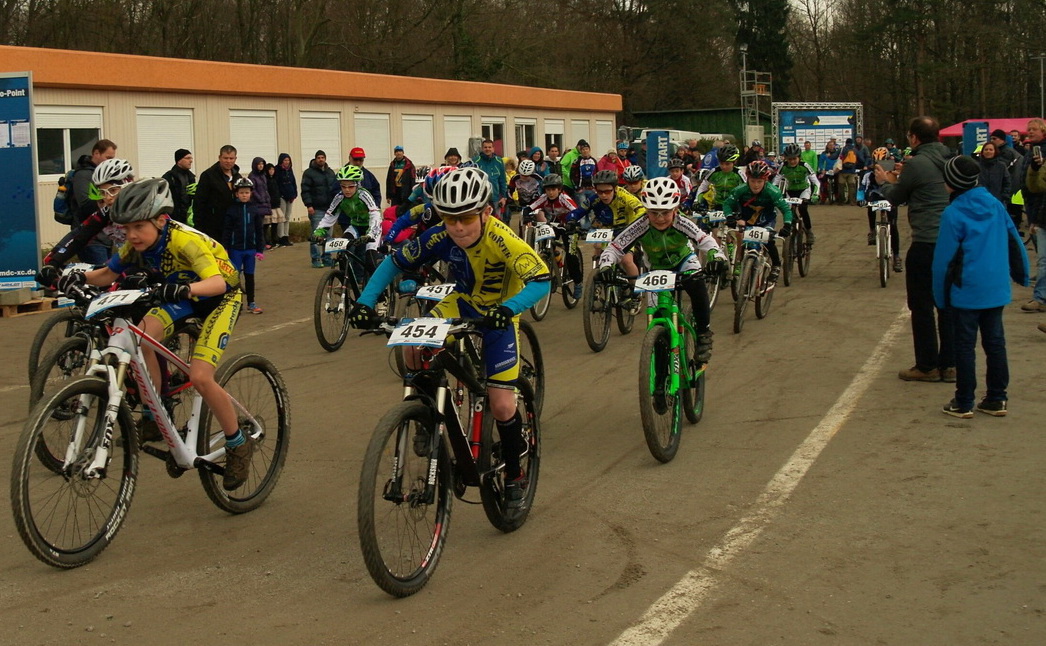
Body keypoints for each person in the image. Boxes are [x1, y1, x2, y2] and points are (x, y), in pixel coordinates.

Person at [349, 167, 551, 509]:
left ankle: (516, 473)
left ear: (486, 212)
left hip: (499, 312)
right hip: (461, 303)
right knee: (413, 344)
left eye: (466, 218)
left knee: (502, 405)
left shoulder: (503, 239)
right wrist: (365, 302)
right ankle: (427, 416)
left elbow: (542, 279)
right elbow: (393, 264)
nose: (457, 226)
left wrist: (510, 308)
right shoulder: (441, 234)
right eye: (449, 217)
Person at [57, 178, 252, 491]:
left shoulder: (184, 240)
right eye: (126, 228)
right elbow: (107, 273)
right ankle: (155, 414)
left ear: (161, 220)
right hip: (181, 296)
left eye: (138, 227)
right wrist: (72, 276)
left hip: (220, 298)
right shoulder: (136, 243)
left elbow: (216, 283)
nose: (131, 235)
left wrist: (184, 288)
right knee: (141, 334)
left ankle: (237, 442)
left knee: (201, 377)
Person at [932, 156, 1029, 417]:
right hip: (995, 287)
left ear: (952, 183)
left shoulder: (953, 213)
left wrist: (940, 297)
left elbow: (943, 261)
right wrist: (1023, 274)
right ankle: (997, 398)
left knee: (965, 346)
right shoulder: (995, 205)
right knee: (995, 343)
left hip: (966, 290)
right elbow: (1014, 240)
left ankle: (964, 401)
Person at [599, 176, 724, 363]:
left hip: (684, 261)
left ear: (675, 209)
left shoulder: (682, 222)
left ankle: (704, 332)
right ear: (646, 210)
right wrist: (606, 265)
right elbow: (615, 247)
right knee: (657, 320)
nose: (659, 218)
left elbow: (704, 240)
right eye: (654, 212)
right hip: (656, 269)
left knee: (697, 285)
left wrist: (717, 256)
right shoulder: (640, 225)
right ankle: (659, 378)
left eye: (665, 212)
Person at [875, 116, 955, 382]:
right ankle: (951, 363)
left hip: (927, 242)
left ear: (914, 138)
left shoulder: (916, 163)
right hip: (953, 241)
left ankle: (927, 365)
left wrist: (884, 180)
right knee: (949, 305)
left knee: (921, 305)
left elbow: (897, 196)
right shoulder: (952, 160)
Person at [36, 158, 135, 287]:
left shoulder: (144, 212)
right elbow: (80, 235)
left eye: (113, 190)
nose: (108, 198)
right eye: (103, 192)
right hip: (125, 267)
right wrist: (53, 262)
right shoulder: (107, 212)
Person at [567, 169, 645, 285]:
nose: (603, 195)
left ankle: (636, 291)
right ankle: (598, 276)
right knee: (598, 246)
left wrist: (633, 227)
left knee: (626, 260)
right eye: (600, 191)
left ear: (615, 188)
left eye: (608, 191)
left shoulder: (625, 196)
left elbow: (641, 210)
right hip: (605, 228)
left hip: (625, 229)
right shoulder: (594, 199)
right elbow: (579, 211)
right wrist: (572, 220)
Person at [722, 159, 792, 284]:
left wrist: (787, 224)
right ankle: (739, 264)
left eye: (759, 181)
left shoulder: (773, 192)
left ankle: (776, 265)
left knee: (769, 241)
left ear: (765, 180)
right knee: (742, 241)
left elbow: (786, 210)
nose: (755, 185)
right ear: (747, 179)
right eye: (752, 181)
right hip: (747, 220)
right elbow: (727, 203)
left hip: (767, 221)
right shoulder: (740, 190)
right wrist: (729, 217)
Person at [312, 164, 382, 274]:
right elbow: (329, 216)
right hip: (355, 226)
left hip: (372, 228)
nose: (347, 190)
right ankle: (345, 281)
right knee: (342, 252)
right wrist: (318, 232)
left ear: (358, 184)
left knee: (370, 261)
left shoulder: (364, 195)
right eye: (343, 186)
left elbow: (375, 215)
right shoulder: (339, 197)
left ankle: (378, 288)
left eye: (351, 186)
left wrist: (370, 234)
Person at [524, 173, 581, 297]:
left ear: (559, 189)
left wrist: (572, 223)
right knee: (546, 242)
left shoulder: (564, 199)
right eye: (548, 190)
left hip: (569, 226)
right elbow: (529, 208)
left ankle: (578, 283)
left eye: (553, 189)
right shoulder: (544, 198)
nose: (550, 193)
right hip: (555, 224)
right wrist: (526, 217)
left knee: (571, 255)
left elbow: (577, 212)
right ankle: (554, 259)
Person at [224, 177, 265, 314]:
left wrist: (260, 249)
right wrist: (225, 247)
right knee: (234, 277)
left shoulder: (254, 210)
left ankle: (251, 303)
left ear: (251, 193)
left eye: (247, 192)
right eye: (241, 193)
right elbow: (227, 230)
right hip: (236, 249)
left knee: (249, 276)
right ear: (236, 194)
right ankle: (236, 302)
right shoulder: (231, 210)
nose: (244, 195)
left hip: (250, 249)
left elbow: (259, 230)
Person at [1019, 119, 1046, 313]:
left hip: (1040, 211)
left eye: (1033, 129)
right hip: (1040, 212)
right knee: (1043, 259)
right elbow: (1033, 187)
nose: (1029, 132)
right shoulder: (1031, 152)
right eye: (1028, 129)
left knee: (1043, 260)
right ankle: (1041, 298)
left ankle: (1041, 297)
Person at [862, 149, 903, 272]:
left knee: (894, 226)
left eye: (883, 161)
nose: (880, 164)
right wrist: (861, 199)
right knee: (870, 206)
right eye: (877, 162)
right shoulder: (869, 174)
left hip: (890, 197)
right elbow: (864, 189)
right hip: (876, 196)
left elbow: (901, 188)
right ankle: (873, 230)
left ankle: (896, 256)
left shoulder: (895, 173)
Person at [773, 143, 820, 243]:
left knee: (803, 209)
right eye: (790, 159)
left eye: (794, 158)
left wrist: (815, 194)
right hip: (790, 191)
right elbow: (775, 182)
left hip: (804, 190)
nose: (792, 161)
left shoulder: (805, 165)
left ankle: (809, 231)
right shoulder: (783, 166)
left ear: (799, 157)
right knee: (789, 212)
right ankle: (793, 228)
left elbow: (815, 182)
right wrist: (774, 194)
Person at [193, 145, 239, 242]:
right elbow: (199, 202)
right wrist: (199, 227)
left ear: (235, 159)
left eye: (231, 158)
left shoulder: (237, 177)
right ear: (219, 158)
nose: (228, 161)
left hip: (234, 227)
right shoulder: (208, 175)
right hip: (213, 228)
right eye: (225, 158)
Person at [301, 150, 338, 268]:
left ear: (325, 159)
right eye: (318, 157)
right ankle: (316, 258)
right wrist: (309, 205)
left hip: (330, 209)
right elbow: (305, 190)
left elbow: (335, 189)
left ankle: (327, 258)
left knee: (328, 236)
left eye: (323, 157)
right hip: (316, 209)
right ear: (315, 159)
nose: (321, 159)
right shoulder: (309, 173)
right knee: (316, 235)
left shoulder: (330, 172)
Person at [685, 144, 744, 212]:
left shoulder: (739, 173)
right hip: (718, 205)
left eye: (727, 164)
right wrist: (697, 201)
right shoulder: (714, 171)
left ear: (734, 162)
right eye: (721, 163)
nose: (724, 167)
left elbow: (747, 189)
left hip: (734, 206)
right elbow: (703, 187)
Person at [990, 129, 1024, 229]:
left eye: (994, 138)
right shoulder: (1007, 150)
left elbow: (1000, 169)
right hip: (1014, 188)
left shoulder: (1005, 152)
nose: (992, 141)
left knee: (1010, 214)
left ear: (1002, 140)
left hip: (1011, 189)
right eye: (991, 138)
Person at [474, 139, 508, 217]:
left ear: (493, 148)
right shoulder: (475, 161)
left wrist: (504, 197)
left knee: (496, 222)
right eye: (485, 147)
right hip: (480, 199)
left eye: (489, 147)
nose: (487, 149)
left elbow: (502, 180)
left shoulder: (499, 161)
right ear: (482, 149)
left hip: (496, 198)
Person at [162, 148, 195, 224]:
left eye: (191, 158)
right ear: (179, 161)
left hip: (188, 217)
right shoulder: (169, 177)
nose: (191, 161)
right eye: (187, 158)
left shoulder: (191, 177)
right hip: (174, 218)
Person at [247, 157, 273, 247]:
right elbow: (252, 190)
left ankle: (262, 242)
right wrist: (260, 198)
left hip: (264, 203)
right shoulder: (252, 176)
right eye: (259, 164)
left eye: (262, 164)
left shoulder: (263, 175)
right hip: (257, 203)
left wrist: (267, 199)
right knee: (257, 225)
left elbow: (265, 189)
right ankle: (257, 243)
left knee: (262, 225)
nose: (261, 166)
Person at [976, 142, 1011, 206]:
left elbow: (1007, 182)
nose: (988, 151)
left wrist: (1005, 196)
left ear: (995, 151)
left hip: (998, 200)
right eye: (986, 149)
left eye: (991, 149)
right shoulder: (977, 166)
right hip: (980, 201)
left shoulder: (1001, 166)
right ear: (982, 152)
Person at [273, 153, 297, 248]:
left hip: (290, 196)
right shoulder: (277, 170)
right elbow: (277, 184)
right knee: (281, 218)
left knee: (287, 217)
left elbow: (293, 182)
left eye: (288, 160)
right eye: (285, 160)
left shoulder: (290, 170)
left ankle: (286, 236)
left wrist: (295, 193)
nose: (287, 162)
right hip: (282, 197)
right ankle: (281, 236)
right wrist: (280, 194)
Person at [263, 162, 284, 248]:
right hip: (269, 205)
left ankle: (274, 239)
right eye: (270, 169)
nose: (271, 171)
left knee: (275, 223)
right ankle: (266, 240)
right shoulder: (265, 180)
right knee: (266, 224)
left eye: (273, 169)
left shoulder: (275, 179)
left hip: (276, 204)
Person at [838, 138, 860, 205]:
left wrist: (829, 157)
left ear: (846, 143)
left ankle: (841, 201)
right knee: (851, 186)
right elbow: (860, 158)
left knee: (841, 186)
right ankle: (852, 201)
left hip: (842, 171)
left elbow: (834, 156)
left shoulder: (842, 149)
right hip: (852, 171)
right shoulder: (855, 150)